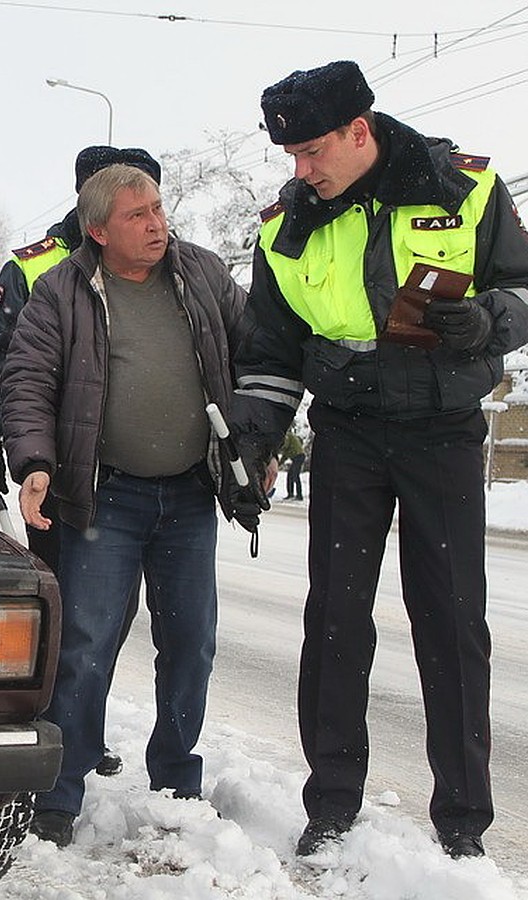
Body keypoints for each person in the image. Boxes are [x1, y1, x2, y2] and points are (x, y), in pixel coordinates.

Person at [232, 60, 528, 860]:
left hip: (442, 430)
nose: (301, 171)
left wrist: (488, 321)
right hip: (349, 432)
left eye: (313, 152)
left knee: (452, 620)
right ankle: (331, 802)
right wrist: (256, 440)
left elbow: (525, 287)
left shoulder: (464, 188)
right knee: (334, 617)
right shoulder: (284, 229)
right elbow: (269, 351)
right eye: (290, 157)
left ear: (360, 132)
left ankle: (463, 822)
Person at [0, 162, 261, 847]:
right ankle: (59, 790)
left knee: (191, 644)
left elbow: (258, 345)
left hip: (188, 494)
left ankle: (177, 778)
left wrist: (253, 442)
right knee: (84, 645)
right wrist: (32, 464)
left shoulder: (201, 274)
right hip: (104, 497)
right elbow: (26, 381)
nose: (156, 224)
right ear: (98, 230)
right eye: (137, 216)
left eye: (158, 209)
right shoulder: (62, 290)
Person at [0, 145, 163, 778]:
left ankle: (78, 729)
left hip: (128, 478)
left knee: (108, 617)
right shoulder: (37, 268)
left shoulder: (156, 268)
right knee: (61, 610)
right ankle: (43, 728)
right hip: (51, 472)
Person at [279, 429, 305, 500]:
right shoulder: (288, 437)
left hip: (299, 456)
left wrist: (278, 447)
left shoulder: (287, 435)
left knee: (295, 475)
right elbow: (285, 456)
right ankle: (290, 494)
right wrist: (278, 464)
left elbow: (285, 446)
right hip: (296, 457)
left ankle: (299, 496)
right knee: (290, 476)